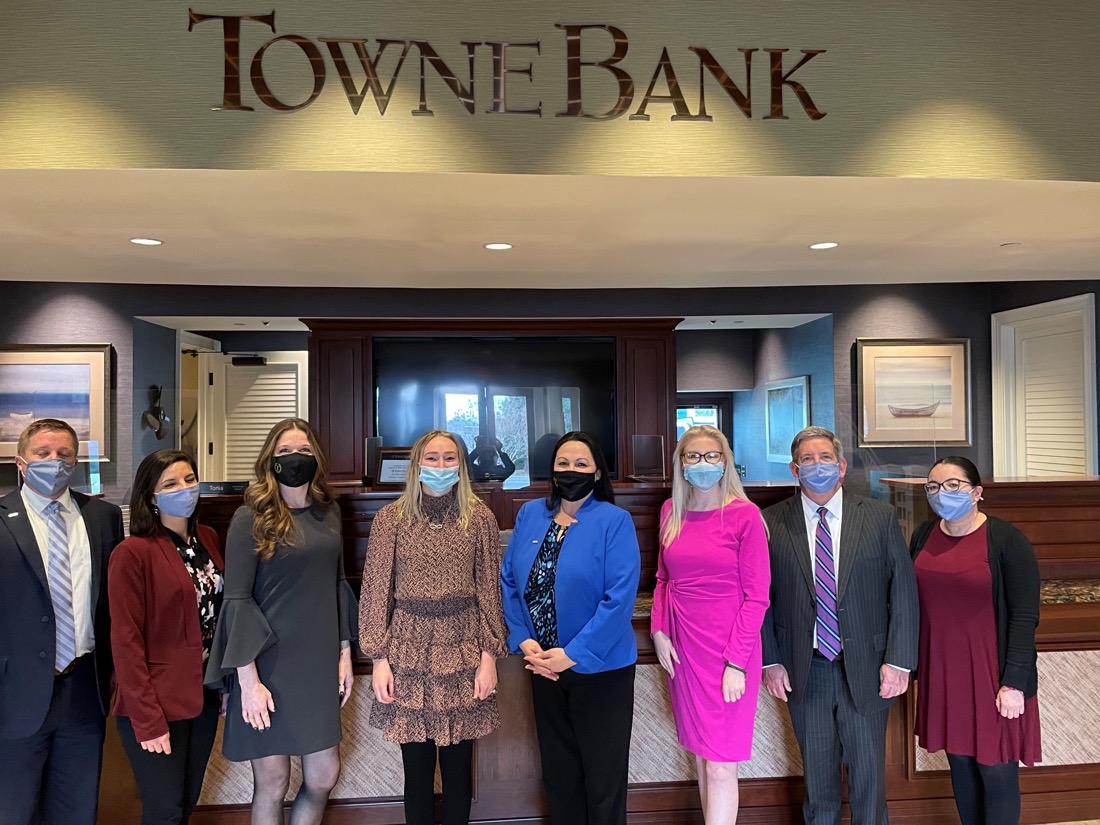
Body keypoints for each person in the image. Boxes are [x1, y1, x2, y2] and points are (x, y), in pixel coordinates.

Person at [760, 425, 918, 825]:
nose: (817, 466)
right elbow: (759, 596)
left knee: (869, 781)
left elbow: (902, 591)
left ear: (842, 466)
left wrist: (899, 661)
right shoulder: (770, 522)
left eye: (825, 458)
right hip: (804, 668)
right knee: (818, 783)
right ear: (795, 470)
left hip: (867, 666)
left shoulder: (879, 518)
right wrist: (769, 661)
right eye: (808, 460)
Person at [205, 418, 357, 825]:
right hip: (266, 666)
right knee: (272, 782)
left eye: (305, 451)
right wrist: (247, 680)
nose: (296, 458)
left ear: (317, 458)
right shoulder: (249, 517)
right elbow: (236, 600)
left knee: (324, 775)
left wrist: (344, 653)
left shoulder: (329, 512)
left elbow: (338, 584)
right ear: (270, 460)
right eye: (286, 451)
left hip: (317, 663)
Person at [360, 430, 509, 825]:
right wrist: (378, 658)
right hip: (407, 647)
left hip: (464, 645)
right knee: (417, 773)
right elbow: (377, 591)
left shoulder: (480, 519)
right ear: (416, 465)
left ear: (461, 465)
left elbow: (488, 591)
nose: (440, 466)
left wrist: (490, 655)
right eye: (432, 458)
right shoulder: (390, 520)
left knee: (459, 772)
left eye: (449, 459)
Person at [500, 431, 641, 825]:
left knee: (603, 782)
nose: (571, 471)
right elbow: (509, 582)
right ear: (552, 470)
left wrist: (573, 655)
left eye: (581, 464)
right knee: (560, 778)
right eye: (563, 463)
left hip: (600, 671)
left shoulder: (615, 521)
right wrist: (523, 639)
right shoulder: (530, 514)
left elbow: (618, 599)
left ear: (597, 474)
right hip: (542, 666)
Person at [0, 418, 124, 825]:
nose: (54, 461)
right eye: (43, 453)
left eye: (64, 454)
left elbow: (112, 603)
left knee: (76, 811)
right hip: (13, 695)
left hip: (84, 690)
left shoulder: (104, 517)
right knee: (13, 811)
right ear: (21, 462)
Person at [909, 456, 1041, 825]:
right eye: (934, 487)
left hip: (993, 677)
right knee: (961, 768)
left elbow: (1025, 617)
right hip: (943, 674)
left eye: (954, 485)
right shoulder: (923, 534)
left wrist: (1014, 682)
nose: (942, 494)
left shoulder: (1007, 540)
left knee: (995, 771)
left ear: (977, 492)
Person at [651, 425, 770, 824]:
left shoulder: (745, 515)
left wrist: (736, 662)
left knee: (722, 764)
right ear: (681, 464)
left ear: (726, 462)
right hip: (684, 649)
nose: (702, 464)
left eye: (711, 456)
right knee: (703, 758)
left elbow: (758, 597)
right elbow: (663, 579)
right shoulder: (671, 510)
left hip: (728, 654)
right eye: (693, 456)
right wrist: (659, 630)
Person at [109, 449, 224, 825]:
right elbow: (126, 641)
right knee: (165, 810)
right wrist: (147, 719)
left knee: (187, 801)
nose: (185, 489)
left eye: (190, 479)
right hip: (155, 702)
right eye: (171, 484)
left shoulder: (207, 538)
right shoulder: (132, 553)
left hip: (203, 695)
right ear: (150, 497)